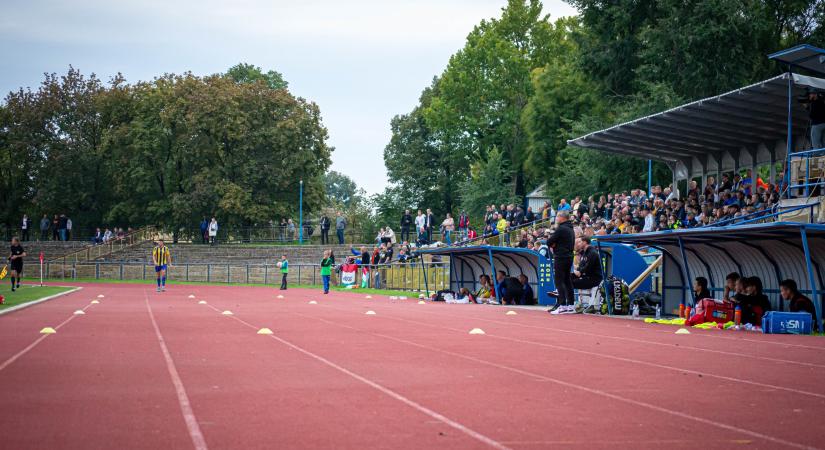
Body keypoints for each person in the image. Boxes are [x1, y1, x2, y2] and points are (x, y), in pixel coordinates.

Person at [548, 211, 576, 314]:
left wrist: (554, 244)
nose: (556, 219)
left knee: (559, 281)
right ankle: (571, 305)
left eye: (557, 217)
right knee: (567, 281)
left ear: (562, 217)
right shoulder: (571, 229)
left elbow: (549, 242)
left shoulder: (561, 229)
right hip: (569, 257)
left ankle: (563, 305)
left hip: (560, 257)